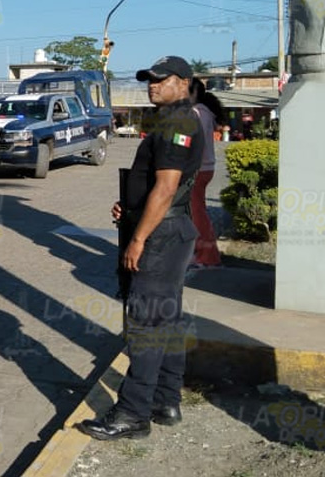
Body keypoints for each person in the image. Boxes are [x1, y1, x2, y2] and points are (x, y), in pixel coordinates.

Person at [78, 56, 203, 442]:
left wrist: (137, 237)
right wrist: (131, 209)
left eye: (161, 80)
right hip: (168, 230)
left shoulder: (178, 123)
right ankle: (166, 401)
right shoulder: (176, 121)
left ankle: (132, 414)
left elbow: (166, 188)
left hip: (160, 238)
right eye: (149, 79)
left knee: (146, 325)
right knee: (166, 320)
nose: (152, 85)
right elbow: (160, 188)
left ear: (183, 83)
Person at [189, 78, 225, 271]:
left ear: (192, 93)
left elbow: (195, 141)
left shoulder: (197, 113)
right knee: (197, 212)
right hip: (204, 168)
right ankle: (202, 253)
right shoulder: (204, 112)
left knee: (197, 214)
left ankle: (207, 256)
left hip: (198, 169)